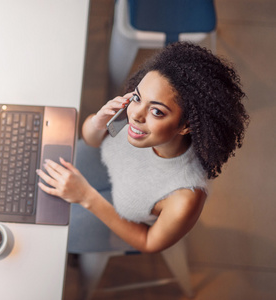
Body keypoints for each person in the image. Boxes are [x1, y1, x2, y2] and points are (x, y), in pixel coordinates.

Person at [36, 42, 249, 254]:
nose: (136, 116)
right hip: (101, 167)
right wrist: (98, 123)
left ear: (186, 126)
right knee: (34, 180)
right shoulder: (135, 116)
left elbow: (149, 243)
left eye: (157, 112)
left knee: (45, 236)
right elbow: (93, 140)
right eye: (137, 97)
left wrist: (86, 196)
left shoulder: (185, 196)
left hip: (115, 215)